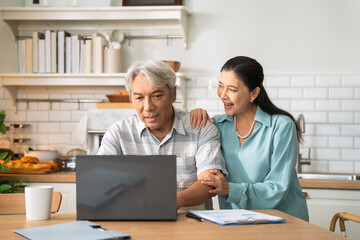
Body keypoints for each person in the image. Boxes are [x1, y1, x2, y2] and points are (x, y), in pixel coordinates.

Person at [97, 60, 227, 211]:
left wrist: (175, 200)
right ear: (131, 98)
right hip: (135, 226)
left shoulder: (200, 128)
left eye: (157, 96)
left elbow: (210, 184)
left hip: (191, 229)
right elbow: (102, 182)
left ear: (173, 95)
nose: (148, 107)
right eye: (139, 98)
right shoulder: (118, 133)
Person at [190, 56, 309, 221]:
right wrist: (196, 115)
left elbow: (277, 188)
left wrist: (229, 189)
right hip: (236, 222)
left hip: (283, 222)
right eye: (220, 86)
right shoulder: (217, 125)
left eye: (232, 89)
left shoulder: (281, 126)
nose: (223, 95)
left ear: (254, 92)